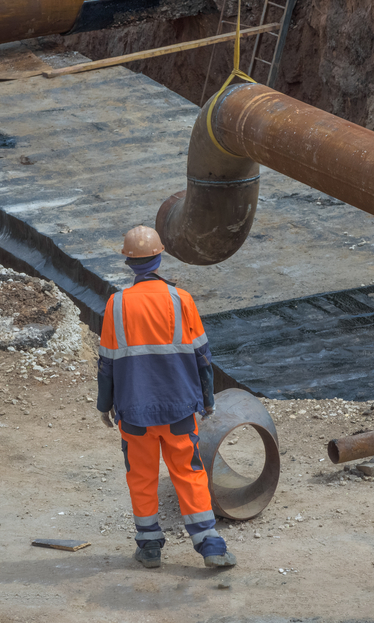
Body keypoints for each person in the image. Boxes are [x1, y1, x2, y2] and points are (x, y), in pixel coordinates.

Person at [97, 225, 236, 569]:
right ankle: (210, 545)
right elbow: (203, 356)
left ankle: (149, 546)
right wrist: (207, 399)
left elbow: (107, 363)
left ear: (129, 263)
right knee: (189, 473)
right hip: (177, 409)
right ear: (159, 258)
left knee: (141, 477)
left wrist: (105, 405)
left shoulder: (116, 305)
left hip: (133, 411)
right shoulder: (181, 299)